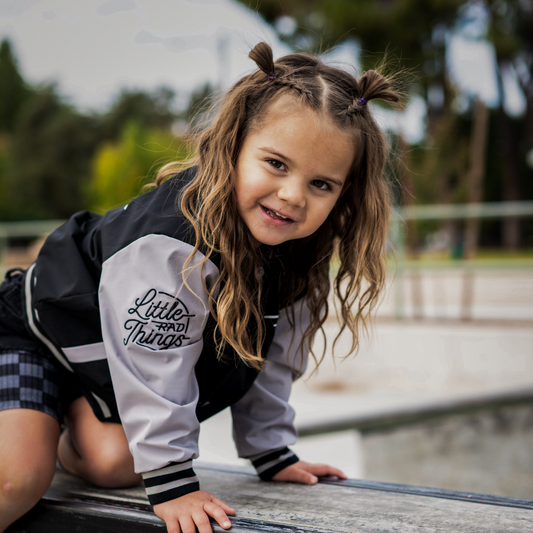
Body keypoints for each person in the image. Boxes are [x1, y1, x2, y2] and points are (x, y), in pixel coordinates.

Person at [0, 42, 400, 533]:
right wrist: (174, 485)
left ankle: (63, 419)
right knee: (16, 481)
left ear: (345, 193)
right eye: (276, 163)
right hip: (40, 335)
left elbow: (268, 358)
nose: (293, 195)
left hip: (103, 362)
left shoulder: (300, 252)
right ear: (232, 146)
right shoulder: (175, 241)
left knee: (116, 463)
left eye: (322, 184)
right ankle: (28, 423)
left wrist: (271, 452)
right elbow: (155, 358)